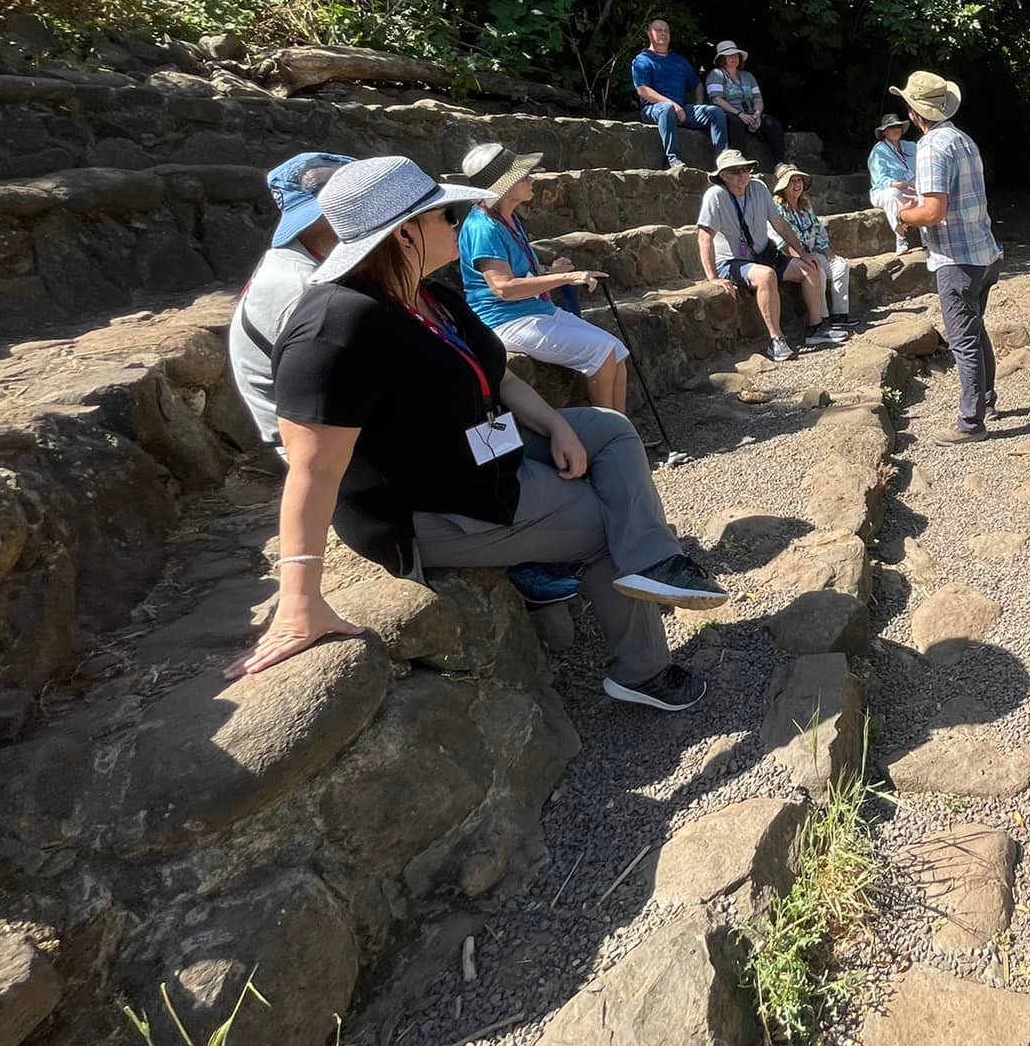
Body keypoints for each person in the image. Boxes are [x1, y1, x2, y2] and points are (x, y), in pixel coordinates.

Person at [236, 156, 726, 714]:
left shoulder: (430, 296)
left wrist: (559, 424)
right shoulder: (336, 326)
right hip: (430, 506)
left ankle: (653, 561)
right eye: (444, 215)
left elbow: (500, 375)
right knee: (602, 522)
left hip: (479, 451)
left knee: (610, 430)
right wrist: (299, 595)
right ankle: (644, 672)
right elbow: (313, 467)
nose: (458, 223)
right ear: (404, 233)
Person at [450, 142, 628, 414]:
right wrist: (568, 277)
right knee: (602, 353)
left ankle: (623, 433)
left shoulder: (506, 218)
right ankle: (611, 436)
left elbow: (519, 279)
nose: (532, 179)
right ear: (504, 185)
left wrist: (551, 274)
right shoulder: (483, 228)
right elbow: (503, 288)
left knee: (617, 351)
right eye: (524, 176)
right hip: (506, 321)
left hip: (535, 311)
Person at [892, 71, 1003, 444]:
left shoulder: (930, 146)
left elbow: (934, 212)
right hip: (985, 252)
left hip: (957, 258)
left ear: (913, 111)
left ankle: (971, 424)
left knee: (964, 339)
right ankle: (986, 401)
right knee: (976, 329)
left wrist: (903, 216)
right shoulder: (962, 139)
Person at [229, 152, 355, 446]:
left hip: (315, 418)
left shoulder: (299, 259)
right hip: (306, 440)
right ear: (325, 213)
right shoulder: (305, 286)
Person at [696, 149, 845, 362]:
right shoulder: (715, 196)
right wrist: (713, 278)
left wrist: (802, 254)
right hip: (731, 261)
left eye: (745, 169)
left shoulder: (758, 188)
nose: (742, 175)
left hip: (763, 254)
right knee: (766, 276)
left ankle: (817, 328)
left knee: (810, 267)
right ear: (723, 176)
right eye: (735, 171)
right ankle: (776, 340)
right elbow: (704, 238)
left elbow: (780, 224)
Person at [632, 19, 727, 166]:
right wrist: (672, 104)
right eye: (658, 30)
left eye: (666, 30)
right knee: (666, 109)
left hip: (682, 110)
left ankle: (723, 160)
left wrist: (698, 104)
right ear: (649, 34)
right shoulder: (642, 60)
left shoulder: (679, 60)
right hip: (654, 108)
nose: (663, 33)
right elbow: (643, 90)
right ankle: (672, 159)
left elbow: (697, 84)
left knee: (716, 112)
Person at [772, 163, 853, 326]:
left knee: (840, 266)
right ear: (783, 186)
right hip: (791, 257)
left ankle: (840, 315)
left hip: (809, 252)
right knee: (817, 270)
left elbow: (818, 231)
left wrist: (828, 253)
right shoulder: (776, 209)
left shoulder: (805, 206)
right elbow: (779, 241)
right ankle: (822, 318)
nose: (797, 184)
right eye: (792, 181)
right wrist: (803, 257)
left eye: (799, 180)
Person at [705, 41, 787, 165]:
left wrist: (757, 114)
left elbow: (757, 98)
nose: (734, 58)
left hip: (750, 114)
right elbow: (716, 99)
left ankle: (780, 164)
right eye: (729, 56)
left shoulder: (748, 76)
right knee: (735, 123)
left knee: (772, 123)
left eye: (736, 55)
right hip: (730, 114)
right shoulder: (716, 74)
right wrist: (739, 114)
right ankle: (739, 163)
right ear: (722, 59)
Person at [867, 113, 918, 255]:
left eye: (898, 126)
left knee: (927, 193)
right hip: (884, 191)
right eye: (892, 127)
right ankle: (901, 239)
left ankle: (929, 240)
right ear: (884, 132)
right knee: (892, 194)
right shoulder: (879, 151)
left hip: (912, 188)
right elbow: (881, 181)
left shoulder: (911, 146)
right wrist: (903, 185)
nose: (896, 129)